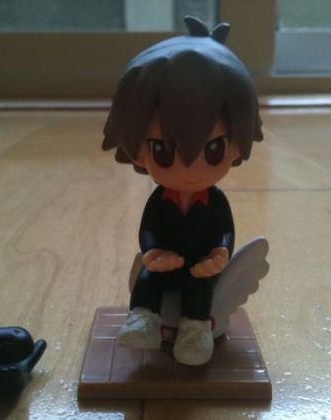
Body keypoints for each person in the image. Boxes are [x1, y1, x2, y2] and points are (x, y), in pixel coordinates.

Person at [102, 16, 263, 365]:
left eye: (213, 150)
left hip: (199, 267)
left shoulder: (215, 201)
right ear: (139, 151)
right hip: (163, 261)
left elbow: (224, 231)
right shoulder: (160, 200)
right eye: (162, 151)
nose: (189, 169)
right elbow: (148, 228)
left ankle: (195, 330)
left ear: (235, 146)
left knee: (198, 287)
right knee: (148, 278)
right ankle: (143, 318)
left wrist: (219, 252)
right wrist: (153, 250)